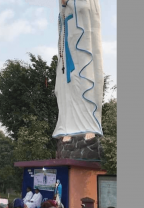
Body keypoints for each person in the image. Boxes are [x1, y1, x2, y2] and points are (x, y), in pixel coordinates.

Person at [53, 0, 104, 142]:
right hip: (69, 41)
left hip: (83, 42)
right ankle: (68, 127)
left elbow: (84, 7)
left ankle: (89, 126)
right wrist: (63, 6)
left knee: (83, 81)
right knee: (66, 87)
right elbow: (62, 15)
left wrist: (68, 2)